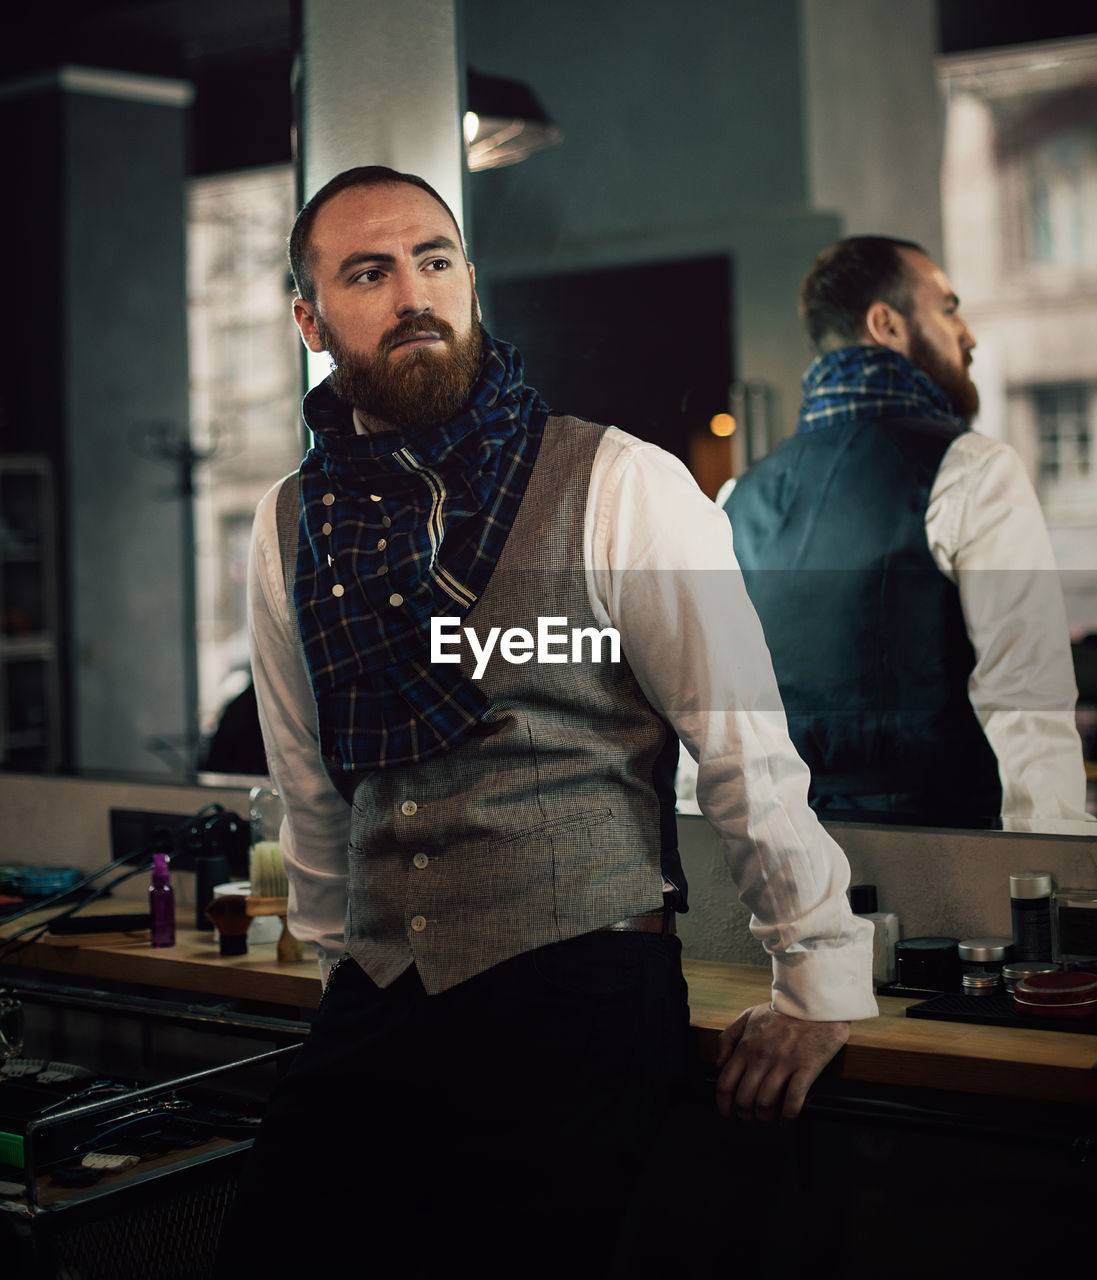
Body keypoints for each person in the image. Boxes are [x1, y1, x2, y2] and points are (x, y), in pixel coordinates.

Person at [217, 167, 876, 1277]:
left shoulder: (622, 483)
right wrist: (347, 956)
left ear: (471, 281)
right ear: (309, 318)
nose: (412, 293)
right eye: (368, 273)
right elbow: (308, 779)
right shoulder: (289, 522)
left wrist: (817, 974)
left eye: (434, 261)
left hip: (576, 1003)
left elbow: (744, 749)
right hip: (377, 1007)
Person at [723, 236, 1088, 828]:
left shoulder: (738, 499)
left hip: (789, 879)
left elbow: (714, 726)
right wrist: (1056, 882)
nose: (967, 334)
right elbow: (1028, 705)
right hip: (955, 873)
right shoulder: (971, 469)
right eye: (948, 309)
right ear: (886, 324)